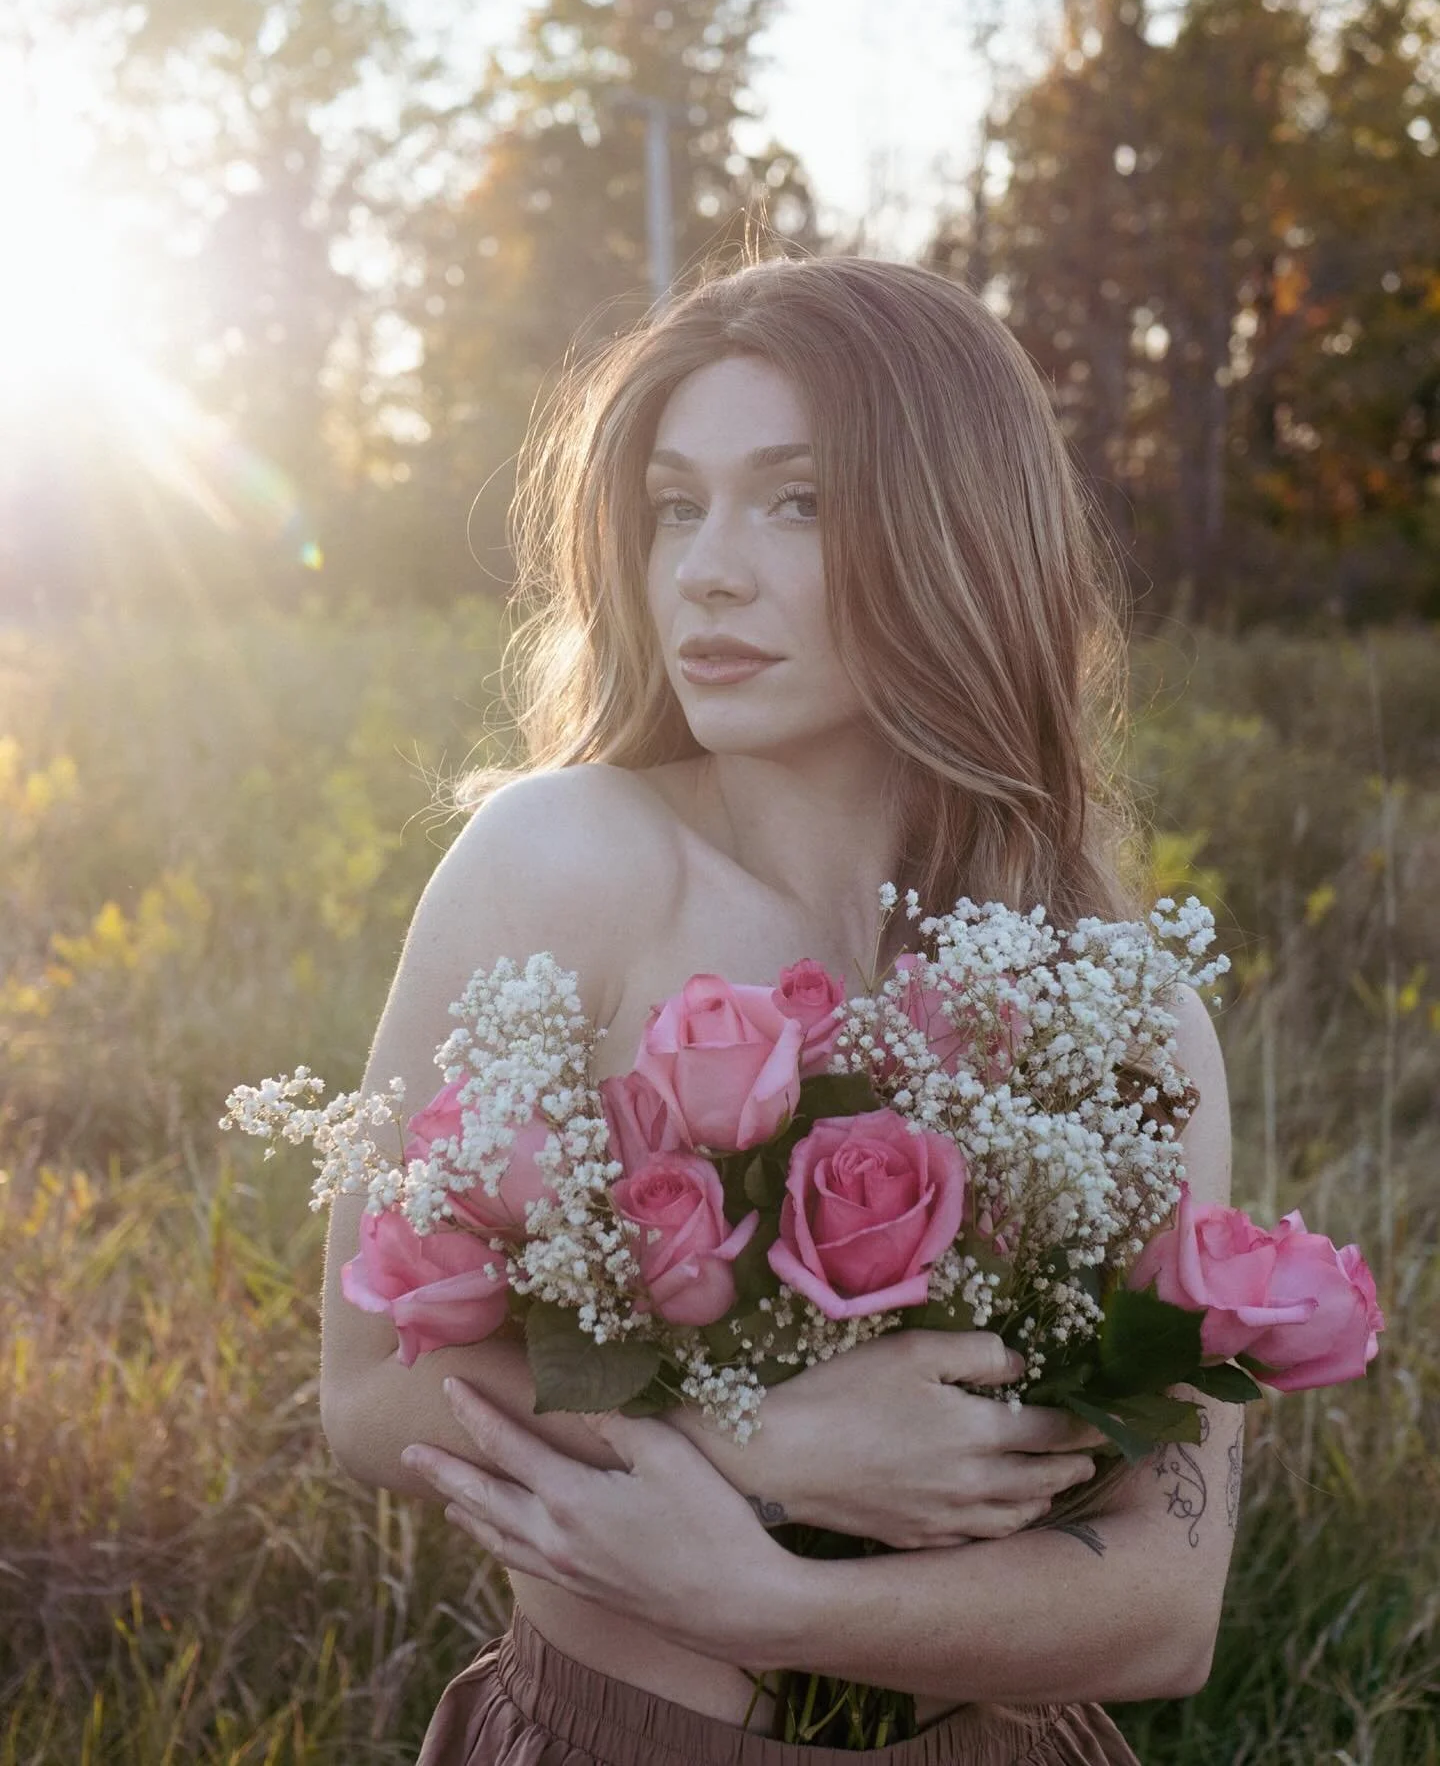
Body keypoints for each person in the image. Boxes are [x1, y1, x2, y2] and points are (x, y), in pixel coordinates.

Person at [318, 255, 1240, 1765]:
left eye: (795, 501)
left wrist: (760, 1599)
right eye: (677, 506)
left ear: (956, 536)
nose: (708, 571)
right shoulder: (567, 862)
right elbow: (366, 1391)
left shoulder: (1121, 1008)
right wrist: (750, 1442)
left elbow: (1166, 1608)